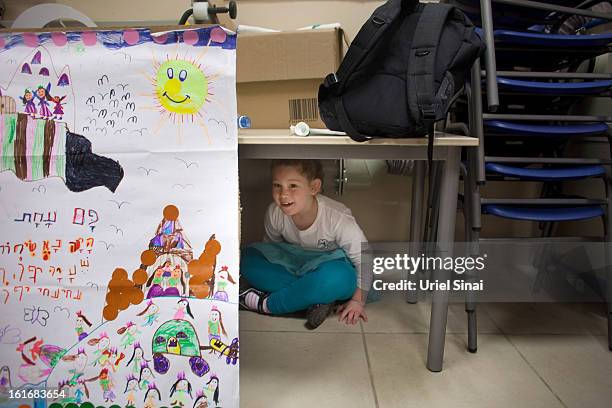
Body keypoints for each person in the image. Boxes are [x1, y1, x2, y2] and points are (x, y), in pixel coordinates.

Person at [239, 159, 370, 329]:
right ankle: (318, 300)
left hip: (327, 268)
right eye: (277, 185)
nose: (283, 194)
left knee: (340, 277)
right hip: (294, 265)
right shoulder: (275, 212)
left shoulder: (337, 217)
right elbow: (271, 251)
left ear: (313, 187)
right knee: (246, 259)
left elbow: (365, 260)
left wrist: (357, 301)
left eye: (293, 186)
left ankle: (268, 304)